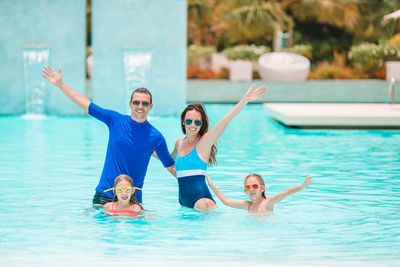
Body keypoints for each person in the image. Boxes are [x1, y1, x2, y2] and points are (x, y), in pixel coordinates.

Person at [42, 65, 175, 207]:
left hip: (133, 200)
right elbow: (86, 104)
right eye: (136, 102)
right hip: (104, 195)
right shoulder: (115, 120)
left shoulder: (156, 137)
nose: (140, 106)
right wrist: (60, 84)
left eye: (144, 103)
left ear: (151, 106)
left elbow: (171, 167)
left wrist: (197, 179)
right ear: (130, 104)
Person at [170, 85, 267, 210]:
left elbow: (225, 120)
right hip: (183, 202)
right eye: (189, 121)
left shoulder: (204, 142)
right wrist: (147, 149)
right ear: (183, 121)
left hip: (202, 202)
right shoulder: (179, 142)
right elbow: (168, 159)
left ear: (201, 124)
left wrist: (245, 99)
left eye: (197, 122)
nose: (192, 125)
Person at [206, 174, 312, 214]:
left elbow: (285, 193)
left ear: (262, 189)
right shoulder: (247, 205)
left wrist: (302, 187)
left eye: (255, 186)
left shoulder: (268, 203)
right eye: (248, 187)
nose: (252, 189)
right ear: (245, 191)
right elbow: (227, 202)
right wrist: (213, 187)